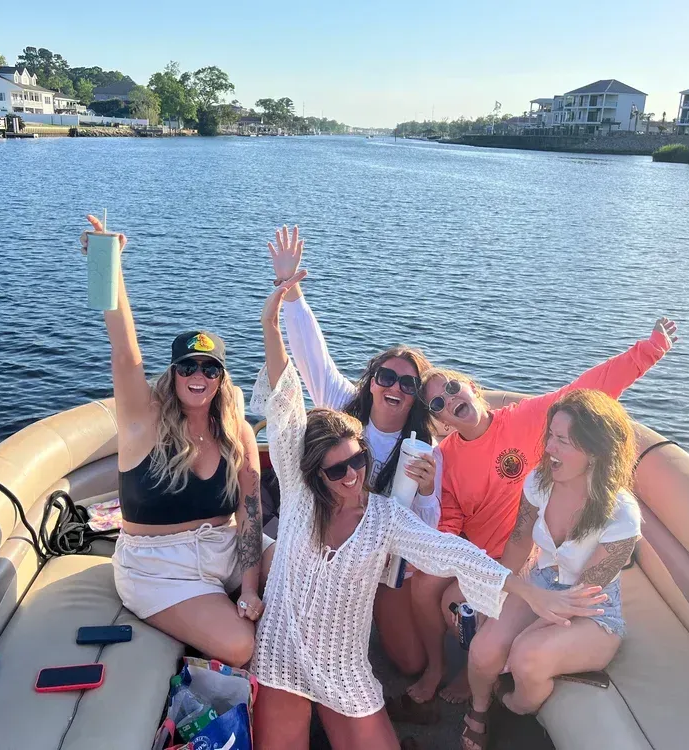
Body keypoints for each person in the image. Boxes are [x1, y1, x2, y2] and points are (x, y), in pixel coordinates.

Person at [249, 271, 608, 750]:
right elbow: (287, 400)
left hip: (341, 666)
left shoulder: (385, 517)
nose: (352, 476)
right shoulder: (296, 493)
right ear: (312, 473)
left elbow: (451, 552)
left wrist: (526, 590)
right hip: (282, 654)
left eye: (359, 461)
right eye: (337, 471)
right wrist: (272, 325)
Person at [408, 317, 677, 703]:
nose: (450, 400)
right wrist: (435, 510)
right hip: (487, 555)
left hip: (532, 549)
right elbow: (449, 523)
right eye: (439, 403)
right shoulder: (445, 458)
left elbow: (590, 388)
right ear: (441, 420)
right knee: (422, 584)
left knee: (458, 609)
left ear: (471, 387)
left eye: (452, 388)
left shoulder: (526, 419)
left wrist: (649, 350)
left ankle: (474, 677)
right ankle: (436, 667)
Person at [79, 215, 264, 668]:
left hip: (224, 550)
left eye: (209, 368)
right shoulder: (143, 423)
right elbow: (125, 350)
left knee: (307, 565)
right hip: (158, 568)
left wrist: (253, 587)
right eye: (187, 367)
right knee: (241, 646)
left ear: (221, 378)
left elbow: (251, 515)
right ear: (173, 373)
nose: (197, 376)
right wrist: (110, 265)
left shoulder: (236, 431)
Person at [267, 224, 442, 676]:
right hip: (324, 545)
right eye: (386, 376)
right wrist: (290, 292)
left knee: (409, 662)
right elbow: (310, 352)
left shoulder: (423, 449)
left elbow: (425, 530)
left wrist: (426, 493)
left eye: (408, 383)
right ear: (372, 381)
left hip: (381, 564)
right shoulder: (343, 406)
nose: (395, 388)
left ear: (416, 397)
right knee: (316, 638)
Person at [461, 389, 642, 750]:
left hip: (592, 612)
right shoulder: (539, 482)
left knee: (526, 657)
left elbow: (583, 596)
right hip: (541, 583)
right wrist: (493, 596)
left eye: (562, 441)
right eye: (551, 437)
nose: (549, 449)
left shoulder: (622, 515)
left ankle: (511, 708)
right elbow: (517, 543)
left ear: (594, 451)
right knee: (483, 650)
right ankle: (479, 711)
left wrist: (519, 638)